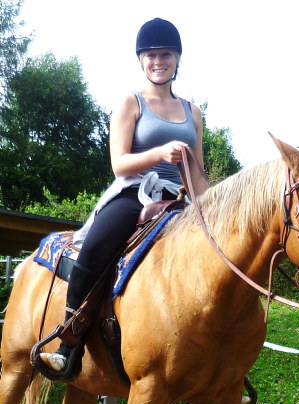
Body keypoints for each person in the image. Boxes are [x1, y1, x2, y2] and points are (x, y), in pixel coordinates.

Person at [39, 17, 207, 374]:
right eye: (150, 55)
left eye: (165, 54)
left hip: (179, 202)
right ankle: (69, 343)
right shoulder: (131, 103)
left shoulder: (193, 111)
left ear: (178, 58)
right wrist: (160, 153)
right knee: (96, 248)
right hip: (135, 194)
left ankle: (223, 365)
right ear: (141, 60)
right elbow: (120, 164)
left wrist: (212, 209)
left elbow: (197, 171)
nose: (158, 61)